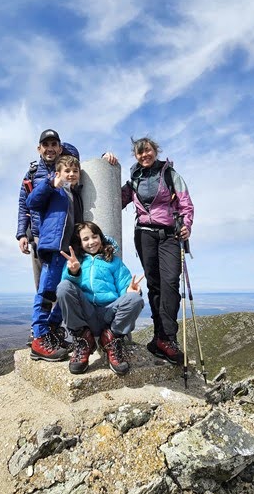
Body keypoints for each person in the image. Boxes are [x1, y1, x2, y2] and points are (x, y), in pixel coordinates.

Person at [120, 136, 194, 366]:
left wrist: (186, 225)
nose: (144, 155)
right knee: (154, 285)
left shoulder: (170, 174)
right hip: (144, 235)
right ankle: (159, 338)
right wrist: (107, 164)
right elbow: (116, 200)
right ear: (135, 156)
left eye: (148, 150)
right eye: (140, 152)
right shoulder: (134, 179)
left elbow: (185, 204)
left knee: (170, 282)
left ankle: (167, 337)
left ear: (155, 150)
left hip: (169, 234)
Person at [56, 222, 144, 376]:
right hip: (86, 314)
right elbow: (66, 291)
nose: (91, 242)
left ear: (101, 238)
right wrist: (74, 272)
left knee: (135, 299)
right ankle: (83, 340)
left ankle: (111, 339)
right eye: (86, 239)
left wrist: (130, 291)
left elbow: (125, 284)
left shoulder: (114, 261)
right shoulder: (76, 261)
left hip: (109, 314)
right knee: (63, 287)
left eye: (94, 236)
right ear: (80, 242)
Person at [25, 154, 83, 361]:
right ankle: (39, 338)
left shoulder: (75, 193)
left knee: (64, 293)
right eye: (67, 171)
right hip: (54, 248)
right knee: (47, 292)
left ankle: (51, 331)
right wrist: (51, 183)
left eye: (75, 171)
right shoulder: (54, 188)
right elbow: (31, 202)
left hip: (70, 251)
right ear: (58, 173)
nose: (72, 174)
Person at [16, 129, 81, 290]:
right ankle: (44, 314)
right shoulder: (31, 174)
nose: (50, 148)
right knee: (42, 285)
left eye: (54, 144)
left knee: (66, 283)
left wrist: (106, 157)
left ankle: (60, 315)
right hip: (39, 236)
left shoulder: (68, 167)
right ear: (39, 149)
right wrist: (22, 234)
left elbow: (75, 153)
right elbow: (24, 203)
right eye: (45, 145)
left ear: (60, 148)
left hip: (67, 235)